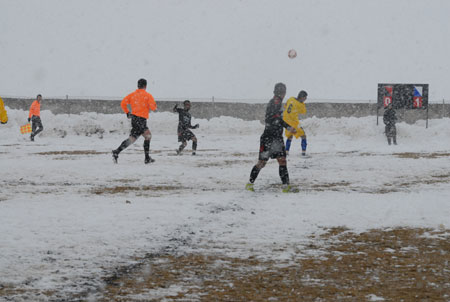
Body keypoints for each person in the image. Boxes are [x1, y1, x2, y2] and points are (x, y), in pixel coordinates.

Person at [246, 83, 297, 193]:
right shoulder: (275, 102)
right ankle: (250, 184)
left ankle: (286, 186)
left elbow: (275, 119)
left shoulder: (275, 102)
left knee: (278, 161)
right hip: (271, 138)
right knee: (266, 162)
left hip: (273, 138)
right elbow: (274, 119)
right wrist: (288, 127)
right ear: (283, 92)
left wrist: (286, 127)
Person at [112, 78, 157, 164]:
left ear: (138, 85)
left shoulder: (132, 95)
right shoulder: (148, 95)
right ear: (145, 86)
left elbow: (123, 103)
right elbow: (153, 108)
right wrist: (153, 104)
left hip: (135, 119)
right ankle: (147, 158)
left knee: (132, 139)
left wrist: (127, 112)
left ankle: (116, 152)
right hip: (141, 120)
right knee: (148, 136)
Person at [283, 90, 308, 156]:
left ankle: (286, 151)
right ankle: (303, 152)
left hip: (286, 121)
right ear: (302, 97)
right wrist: (302, 103)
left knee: (290, 136)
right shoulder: (300, 104)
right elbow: (303, 112)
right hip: (293, 122)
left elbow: (285, 106)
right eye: (305, 98)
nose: (305, 99)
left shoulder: (291, 98)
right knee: (303, 136)